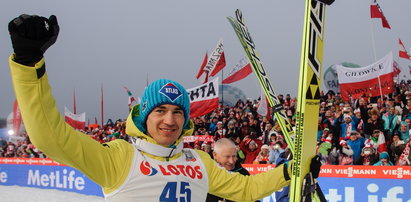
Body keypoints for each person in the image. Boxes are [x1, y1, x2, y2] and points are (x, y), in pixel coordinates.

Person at [7, 14, 324, 201]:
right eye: (160, 111)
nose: (169, 119)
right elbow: (49, 136)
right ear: (145, 115)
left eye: (177, 112)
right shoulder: (119, 157)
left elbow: (244, 188)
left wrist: (288, 171)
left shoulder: (198, 160)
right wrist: (27, 63)